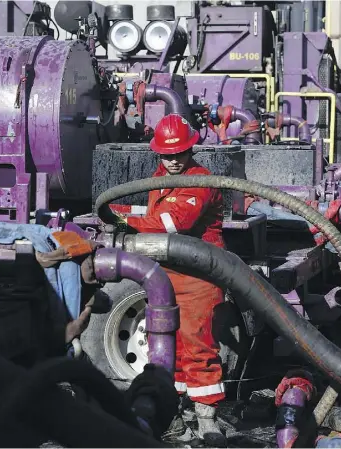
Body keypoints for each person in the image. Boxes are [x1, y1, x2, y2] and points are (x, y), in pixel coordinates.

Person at [100, 114, 227, 446]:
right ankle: (180, 413)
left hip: (199, 277)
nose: (172, 161)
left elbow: (173, 222)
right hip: (169, 275)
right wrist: (124, 214)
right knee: (177, 352)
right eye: (166, 155)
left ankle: (207, 419)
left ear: (190, 149)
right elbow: (155, 215)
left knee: (198, 346)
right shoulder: (162, 177)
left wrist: (122, 218)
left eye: (179, 154)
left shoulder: (200, 180)